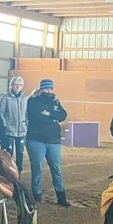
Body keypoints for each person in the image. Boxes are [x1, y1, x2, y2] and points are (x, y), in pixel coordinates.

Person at [26, 78, 69, 207]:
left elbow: (63, 115)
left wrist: (49, 114)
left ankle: (61, 196)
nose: (49, 91)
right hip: (36, 139)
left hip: (54, 140)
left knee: (56, 169)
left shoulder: (56, 100)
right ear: (41, 88)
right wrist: (53, 117)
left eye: (50, 88)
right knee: (37, 168)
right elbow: (35, 116)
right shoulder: (33, 101)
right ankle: (36, 196)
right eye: (46, 88)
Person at [0, 76, 29, 173]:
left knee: (20, 153)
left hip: (22, 130)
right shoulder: (6, 98)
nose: (17, 87)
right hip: (9, 131)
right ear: (11, 86)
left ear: (22, 86)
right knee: (9, 153)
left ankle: (19, 172)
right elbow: (1, 112)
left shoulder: (26, 99)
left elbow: (28, 113)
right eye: (15, 85)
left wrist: (26, 124)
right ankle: (7, 171)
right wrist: (5, 124)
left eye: (19, 85)